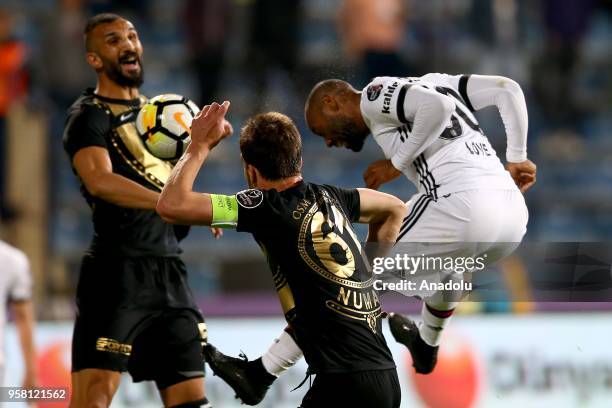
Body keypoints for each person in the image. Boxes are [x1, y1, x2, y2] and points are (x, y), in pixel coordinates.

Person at [201, 72, 536, 403]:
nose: (330, 142)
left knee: (340, 286)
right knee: (451, 269)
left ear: (332, 102)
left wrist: (395, 164)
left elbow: (437, 109)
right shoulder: (439, 81)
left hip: (466, 207)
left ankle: (261, 373)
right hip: (511, 216)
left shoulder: (375, 94)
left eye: (323, 131)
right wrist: (518, 156)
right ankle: (427, 343)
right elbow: (508, 88)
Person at [157, 104, 407, 407]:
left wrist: (198, 146)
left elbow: (171, 205)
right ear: (299, 159)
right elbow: (395, 208)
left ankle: (258, 376)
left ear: (250, 170)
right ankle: (259, 375)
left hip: (345, 384)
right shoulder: (333, 197)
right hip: (382, 377)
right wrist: (365, 276)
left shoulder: (265, 207)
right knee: (309, 304)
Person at [63, 13, 219, 407]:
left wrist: (200, 152)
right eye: (114, 40)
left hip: (170, 272)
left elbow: (173, 182)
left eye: (132, 36)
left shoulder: (161, 113)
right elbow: (99, 180)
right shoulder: (89, 115)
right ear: (95, 59)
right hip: (117, 274)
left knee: (190, 399)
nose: (128, 44)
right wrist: (170, 202)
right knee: (94, 398)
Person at [0, 240, 36, 389]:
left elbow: (23, 318)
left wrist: (31, 371)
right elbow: (23, 317)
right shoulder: (12, 259)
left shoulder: (12, 260)